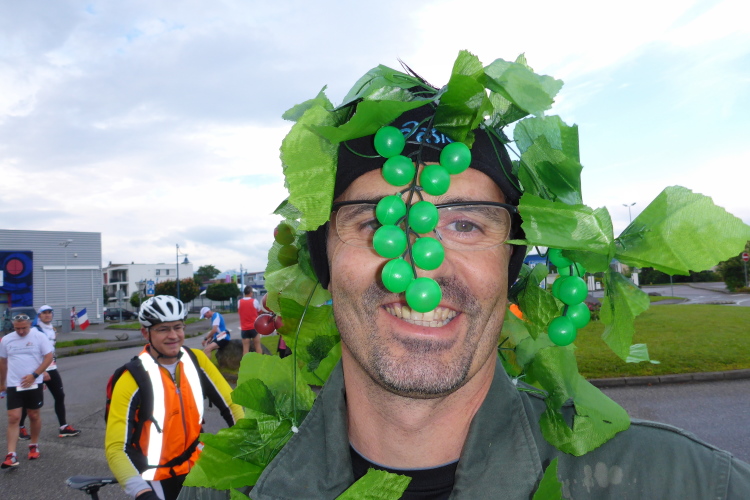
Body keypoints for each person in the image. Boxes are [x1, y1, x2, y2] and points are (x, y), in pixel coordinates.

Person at [243, 55, 750, 499]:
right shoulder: (226, 489)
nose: (424, 266)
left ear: (509, 269)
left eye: (466, 225)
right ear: (324, 262)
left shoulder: (690, 485)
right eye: (377, 223)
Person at [105, 295, 243, 500]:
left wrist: (248, 443)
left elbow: (231, 405)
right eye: (163, 329)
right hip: (155, 477)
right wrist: (141, 492)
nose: (173, 336)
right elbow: (116, 448)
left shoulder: (196, 361)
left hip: (197, 465)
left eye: (178, 327)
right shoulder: (132, 379)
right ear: (145, 333)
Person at [17, 305, 81, 441]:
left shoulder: (52, 329)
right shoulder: (34, 331)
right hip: (38, 370)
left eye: (49, 313)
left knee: (59, 396)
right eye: (44, 313)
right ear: (39, 316)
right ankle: (20, 427)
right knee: (30, 401)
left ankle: (63, 427)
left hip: (52, 368)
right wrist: (42, 371)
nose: (47, 315)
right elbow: (32, 352)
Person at [0, 313, 53, 469]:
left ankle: (34, 445)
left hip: (33, 382)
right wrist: (1, 383)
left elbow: (48, 357)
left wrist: (35, 375)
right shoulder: (7, 340)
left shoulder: (39, 337)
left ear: (29, 324)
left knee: (33, 415)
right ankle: (11, 454)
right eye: (17, 328)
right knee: (13, 417)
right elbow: (3, 362)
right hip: (14, 383)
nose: (21, 331)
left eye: (24, 328)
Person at [238, 286, 262, 356]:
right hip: (254, 327)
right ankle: (260, 360)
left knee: (245, 349)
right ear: (250, 292)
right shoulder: (254, 301)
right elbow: (259, 311)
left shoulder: (239, 302)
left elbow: (239, 311)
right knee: (257, 346)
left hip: (244, 328)